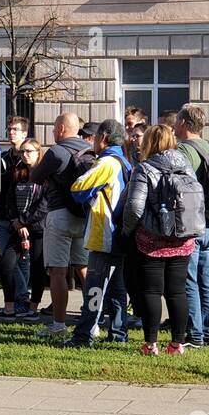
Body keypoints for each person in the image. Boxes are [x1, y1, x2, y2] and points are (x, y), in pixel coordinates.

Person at [122, 124, 198, 355]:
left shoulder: (145, 168)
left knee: (151, 292)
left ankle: (150, 343)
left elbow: (135, 206)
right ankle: (176, 344)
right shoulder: (187, 167)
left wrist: (127, 229)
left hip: (151, 239)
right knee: (177, 292)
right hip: (183, 237)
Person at [68, 119, 132, 348]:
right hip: (119, 234)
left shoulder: (106, 163)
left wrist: (89, 191)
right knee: (117, 289)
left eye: (95, 137)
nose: (93, 141)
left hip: (102, 233)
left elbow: (78, 188)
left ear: (103, 137)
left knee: (94, 288)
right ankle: (118, 334)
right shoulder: (124, 161)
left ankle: (83, 336)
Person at [30, 112, 92, 337]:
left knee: (58, 271)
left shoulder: (57, 151)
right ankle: (92, 322)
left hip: (59, 215)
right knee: (84, 269)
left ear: (62, 129)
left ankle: (58, 324)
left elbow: (35, 176)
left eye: (55, 128)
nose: (54, 132)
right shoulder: (89, 150)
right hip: (84, 217)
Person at [175, 103, 209, 347]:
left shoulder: (183, 150)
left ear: (183, 123)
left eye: (176, 121)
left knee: (189, 280)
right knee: (207, 279)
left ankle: (196, 334)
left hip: (191, 224)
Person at [0, 134, 47, 320]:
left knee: (37, 268)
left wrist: (25, 221)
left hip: (38, 228)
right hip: (17, 227)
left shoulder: (45, 175)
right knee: (6, 264)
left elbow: (43, 204)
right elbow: (9, 200)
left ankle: (32, 309)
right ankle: (9, 308)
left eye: (29, 151)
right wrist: (16, 221)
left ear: (38, 152)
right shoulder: (18, 172)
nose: (24, 155)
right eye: (22, 152)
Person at [0, 116, 32, 319]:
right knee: (11, 260)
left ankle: (22, 299)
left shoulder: (29, 157)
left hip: (22, 219)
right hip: (3, 216)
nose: (11, 132)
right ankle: (20, 300)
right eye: (9, 129)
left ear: (25, 133)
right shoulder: (3, 158)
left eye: (15, 129)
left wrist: (24, 219)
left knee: (18, 261)